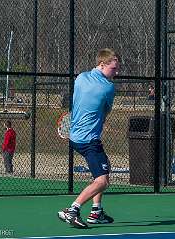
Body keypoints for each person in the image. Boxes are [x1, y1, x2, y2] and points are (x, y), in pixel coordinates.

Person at [58, 48, 120, 228]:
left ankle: (96, 211)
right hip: (89, 140)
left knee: (103, 168)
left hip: (75, 137)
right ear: (102, 65)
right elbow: (106, 110)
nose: (116, 72)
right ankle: (73, 210)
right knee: (103, 181)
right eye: (113, 68)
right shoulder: (108, 87)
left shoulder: (81, 77)